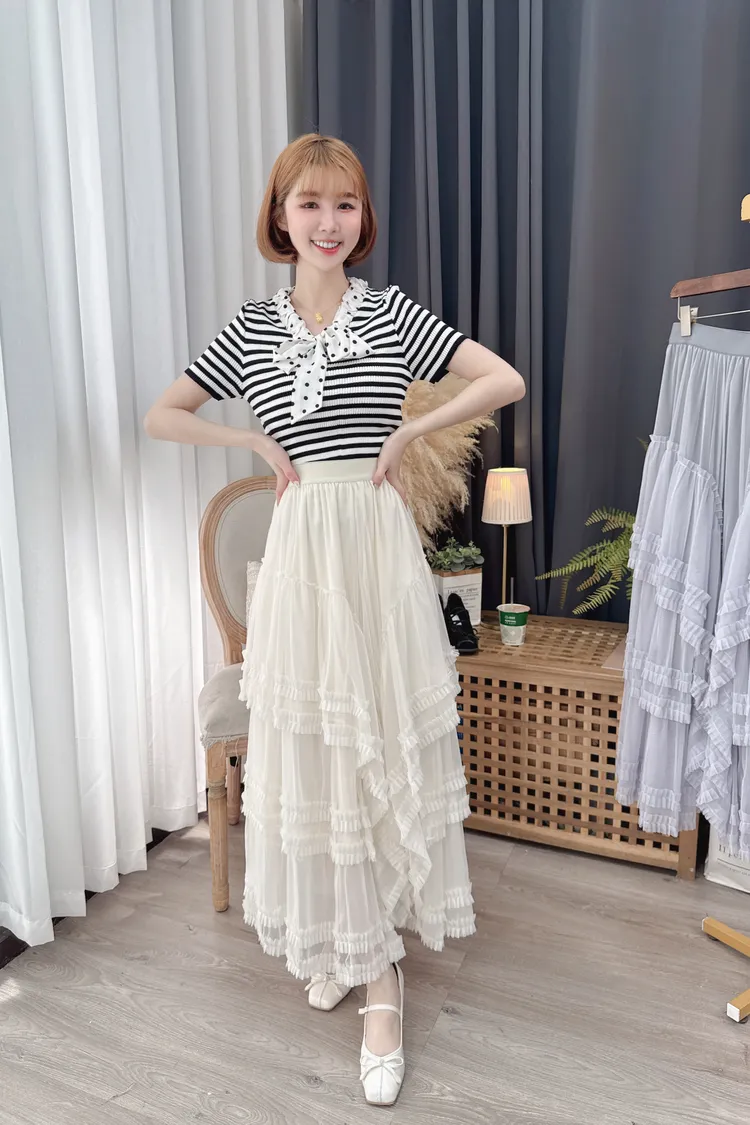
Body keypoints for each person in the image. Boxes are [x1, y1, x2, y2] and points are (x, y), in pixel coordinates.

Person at [144, 133, 525, 1107]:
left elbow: (502, 379)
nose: (327, 222)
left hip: (374, 550)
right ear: (280, 217)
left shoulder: (390, 314)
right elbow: (163, 414)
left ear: (363, 217)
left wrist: (411, 427)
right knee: (318, 747)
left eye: (344, 204)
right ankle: (347, 940)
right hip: (304, 550)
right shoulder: (251, 327)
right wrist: (251, 439)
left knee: (379, 737)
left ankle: (382, 982)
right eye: (309, 204)